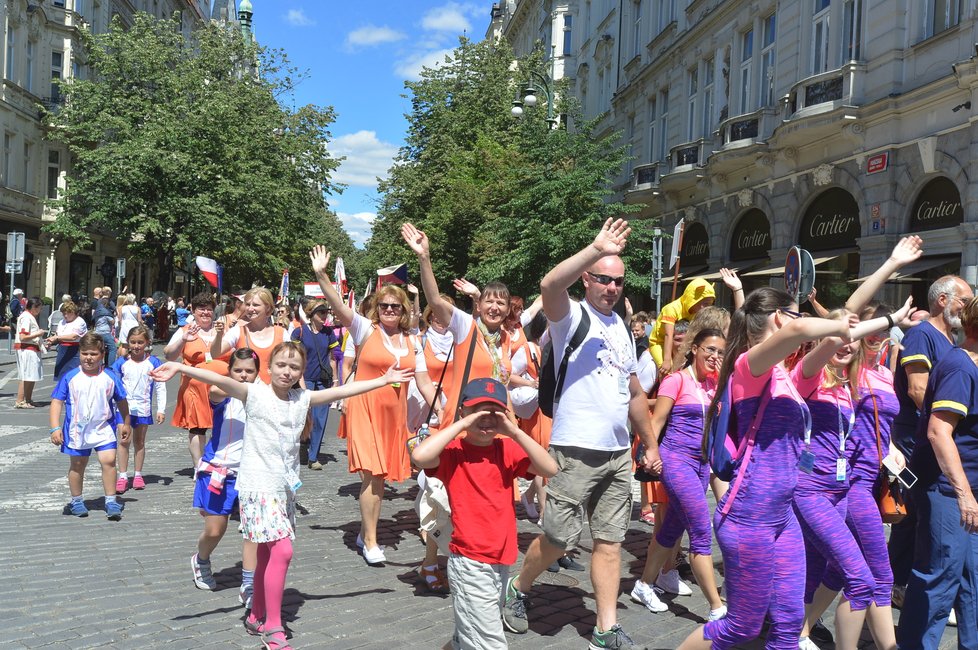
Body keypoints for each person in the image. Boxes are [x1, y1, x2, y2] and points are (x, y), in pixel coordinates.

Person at [150, 341, 414, 650]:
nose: (287, 372)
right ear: (269, 368)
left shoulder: (302, 398)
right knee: (283, 551)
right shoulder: (254, 393)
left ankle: (257, 613)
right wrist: (181, 367)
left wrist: (383, 381)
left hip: (285, 488)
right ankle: (273, 628)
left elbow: (342, 391)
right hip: (258, 487)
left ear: (301, 372)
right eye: (281, 365)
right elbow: (219, 380)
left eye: (294, 367)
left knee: (266, 553)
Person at [502, 219, 663, 649]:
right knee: (558, 538)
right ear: (589, 279)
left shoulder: (623, 331)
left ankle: (604, 629)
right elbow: (550, 285)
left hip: (615, 455)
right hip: (574, 449)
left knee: (610, 543)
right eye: (604, 279)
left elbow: (632, 392)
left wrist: (648, 445)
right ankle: (518, 587)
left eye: (618, 281)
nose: (611, 287)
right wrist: (594, 249)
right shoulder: (572, 317)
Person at [675, 289, 859, 650]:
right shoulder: (749, 366)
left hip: (782, 516)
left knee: (790, 624)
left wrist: (891, 268)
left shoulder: (788, 376)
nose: (798, 320)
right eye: (793, 314)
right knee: (741, 627)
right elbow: (801, 330)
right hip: (749, 517)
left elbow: (838, 327)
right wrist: (872, 322)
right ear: (779, 318)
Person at [310, 247, 439, 564]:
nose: (390, 310)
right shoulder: (365, 330)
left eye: (396, 306)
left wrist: (445, 408)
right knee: (374, 476)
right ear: (376, 308)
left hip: (394, 417)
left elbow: (424, 383)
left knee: (378, 477)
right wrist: (321, 274)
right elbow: (339, 306)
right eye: (384, 305)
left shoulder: (413, 342)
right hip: (365, 410)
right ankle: (370, 540)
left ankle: (365, 532)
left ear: (405, 310)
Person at [411, 378, 558, 650]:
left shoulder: (507, 448)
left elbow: (549, 468)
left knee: (467, 635)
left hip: (501, 560)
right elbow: (420, 457)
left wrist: (514, 431)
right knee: (488, 643)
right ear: (463, 412)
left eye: (494, 412)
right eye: (478, 410)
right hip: (469, 561)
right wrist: (463, 424)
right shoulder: (454, 451)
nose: (487, 420)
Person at [897, 295, 978, 649]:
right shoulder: (961, 367)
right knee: (938, 580)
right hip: (949, 491)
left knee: (972, 582)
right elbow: (938, 431)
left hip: (966, 490)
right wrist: (965, 495)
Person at [632, 328, 727, 621]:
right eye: (710, 350)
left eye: (721, 352)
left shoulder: (715, 384)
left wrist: (724, 382)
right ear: (695, 349)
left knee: (673, 527)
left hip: (700, 464)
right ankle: (716, 606)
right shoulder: (676, 380)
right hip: (675, 460)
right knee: (701, 529)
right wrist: (651, 453)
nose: (715, 357)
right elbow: (656, 421)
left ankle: (645, 584)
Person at [402, 223, 514, 425]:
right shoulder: (466, 327)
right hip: (462, 422)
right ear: (478, 305)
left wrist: (513, 425)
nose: (495, 307)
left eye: (500, 303)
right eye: (489, 301)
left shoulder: (505, 339)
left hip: (495, 424)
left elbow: (503, 386)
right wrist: (424, 257)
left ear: (507, 310)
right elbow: (435, 300)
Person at [189, 348, 260, 611]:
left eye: (249, 371)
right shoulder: (222, 393)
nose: (243, 376)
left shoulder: (262, 397)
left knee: (254, 531)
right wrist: (242, 387)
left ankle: (249, 584)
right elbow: (217, 391)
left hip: (252, 475)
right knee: (215, 530)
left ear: (258, 373)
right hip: (219, 472)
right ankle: (201, 559)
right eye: (238, 370)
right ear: (229, 371)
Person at [48, 333, 132, 520]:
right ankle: (77, 500)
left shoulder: (110, 376)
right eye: (85, 353)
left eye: (93, 354)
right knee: (77, 465)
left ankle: (110, 500)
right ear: (79, 353)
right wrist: (55, 427)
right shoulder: (71, 376)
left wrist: (125, 423)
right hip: (77, 431)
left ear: (102, 354)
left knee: (109, 461)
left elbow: (122, 401)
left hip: (104, 428)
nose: (89, 358)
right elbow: (56, 401)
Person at [165, 292, 231, 471]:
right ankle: (199, 466)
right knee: (197, 428)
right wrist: (182, 341)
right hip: (194, 388)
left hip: (222, 386)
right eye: (201, 309)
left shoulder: (223, 330)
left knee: (224, 424)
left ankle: (220, 461)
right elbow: (169, 355)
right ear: (193, 311)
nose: (205, 313)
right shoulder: (184, 331)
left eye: (209, 309)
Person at [110, 326, 166, 494]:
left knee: (139, 442)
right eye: (133, 342)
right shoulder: (121, 363)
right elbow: (113, 385)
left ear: (147, 343)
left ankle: (138, 474)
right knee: (124, 441)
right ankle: (122, 476)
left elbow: (160, 387)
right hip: (123, 409)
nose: (136, 346)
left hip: (143, 408)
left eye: (140, 342)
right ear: (128, 343)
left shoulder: (154, 363)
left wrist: (161, 409)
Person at [290, 299, 339, 470]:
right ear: (312, 315)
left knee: (320, 419)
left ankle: (313, 457)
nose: (325, 315)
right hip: (305, 379)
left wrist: (335, 380)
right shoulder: (299, 333)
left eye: (326, 312)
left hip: (323, 380)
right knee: (305, 416)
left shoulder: (329, 333)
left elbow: (332, 358)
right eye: (321, 312)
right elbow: (295, 358)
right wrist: (298, 380)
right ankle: (303, 443)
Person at [211, 288, 285, 385]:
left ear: (268, 307)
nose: (250, 309)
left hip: (273, 394)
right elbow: (215, 354)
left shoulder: (282, 333)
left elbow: (292, 363)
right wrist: (219, 335)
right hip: (244, 394)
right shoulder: (238, 331)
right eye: (247, 304)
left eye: (255, 305)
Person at [649, 279, 716, 372]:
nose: (707, 308)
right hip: (660, 343)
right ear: (694, 298)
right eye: (705, 304)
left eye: (710, 304)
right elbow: (668, 335)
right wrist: (667, 360)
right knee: (666, 370)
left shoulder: (695, 312)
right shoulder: (671, 309)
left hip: (680, 346)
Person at [14, 297, 46, 408]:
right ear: (33, 307)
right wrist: (38, 333)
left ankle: (27, 399)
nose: (40, 311)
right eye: (39, 308)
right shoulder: (26, 317)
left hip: (31, 348)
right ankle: (20, 401)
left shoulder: (28, 316)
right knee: (26, 374)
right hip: (26, 349)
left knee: (31, 375)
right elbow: (23, 336)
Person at [47, 301, 88, 380]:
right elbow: (58, 335)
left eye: (67, 313)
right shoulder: (61, 322)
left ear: (73, 312)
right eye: (63, 314)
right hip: (62, 349)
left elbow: (73, 337)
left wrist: (57, 338)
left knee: (74, 376)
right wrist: (50, 342)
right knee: (61, 376)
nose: (65, 316)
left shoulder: (80, 321)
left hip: (75, 350)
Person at [92, 293, 117, 367]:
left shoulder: (97, 311)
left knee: (99, 348)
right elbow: (112, 322)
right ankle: (110, 365)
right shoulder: (106, 312)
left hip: (97, 332)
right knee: (113, 348)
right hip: (105, 332)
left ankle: (98, 364)